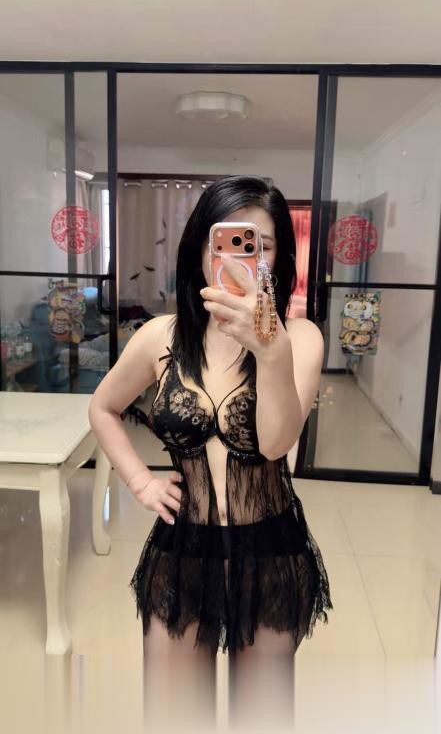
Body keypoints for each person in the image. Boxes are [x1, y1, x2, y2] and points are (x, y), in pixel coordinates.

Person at [88, 175, 333, 732]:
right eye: (227, 240)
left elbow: (275, 444)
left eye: (260, 245)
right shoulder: (160, 336)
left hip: (270, 550)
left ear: (278, 259)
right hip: (183, 549)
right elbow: (102, 407)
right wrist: (140, 481)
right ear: (201, 249)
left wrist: (270, 350)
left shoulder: (300, 338)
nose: (242, 257)